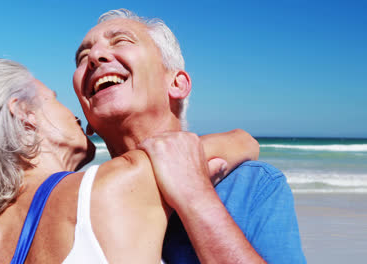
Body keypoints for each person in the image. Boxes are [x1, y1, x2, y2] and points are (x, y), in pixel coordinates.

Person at [0, 59, 257, 263]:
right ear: (25, 115)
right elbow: (244, 142)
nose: (72, 111)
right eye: (52, 98)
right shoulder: (112, 187)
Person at [73, 9, 306, 263]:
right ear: (88, 119)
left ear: (177, 84)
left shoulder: (251, 185)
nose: (94, 57)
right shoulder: (76, 203)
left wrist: (195, 197)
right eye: (83, 57)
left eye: (121, 41)